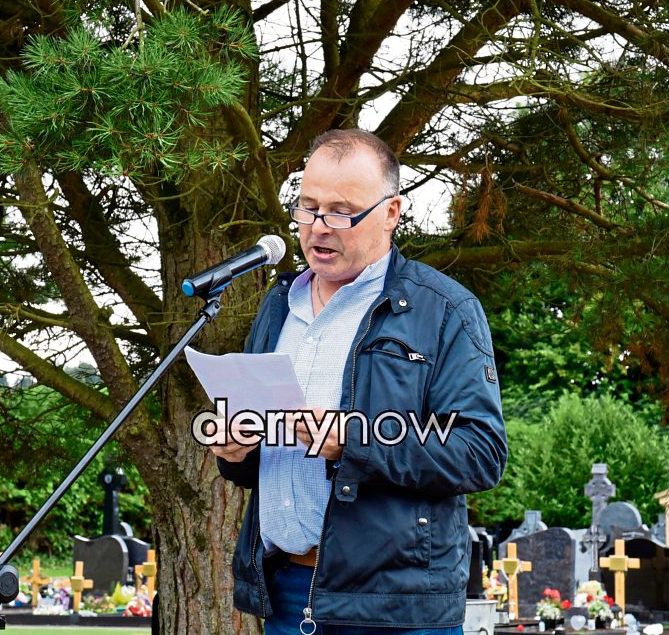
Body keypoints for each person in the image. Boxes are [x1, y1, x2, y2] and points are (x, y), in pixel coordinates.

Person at [210, 129, 507, 634]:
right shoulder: (278, 305)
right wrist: (235, 450)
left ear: (391, 213)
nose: (318, 228)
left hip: (395, 609)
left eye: (341, 213)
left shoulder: (444, 310)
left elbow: (480, 452)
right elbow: (261, 458)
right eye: (307, 209)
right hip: (287, 596)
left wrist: (354, 441)